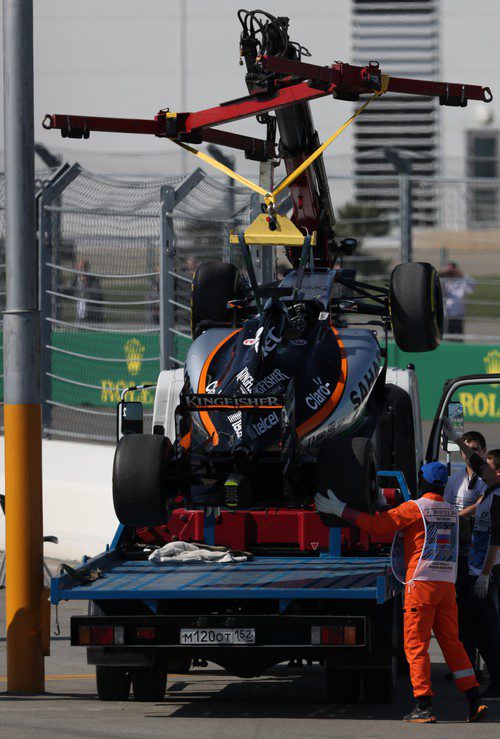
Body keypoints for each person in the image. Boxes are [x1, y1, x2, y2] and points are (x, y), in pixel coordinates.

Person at [315, 461, 487, 724]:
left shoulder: (415, 508)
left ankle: (424, 705)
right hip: (446, 586)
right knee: (453, 645)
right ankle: (474, 700)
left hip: (422, 586)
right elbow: (402, 521)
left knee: (416, 645)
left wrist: (341, 510)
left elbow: (378, 527)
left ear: (422, 481)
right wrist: (385, 505)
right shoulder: (450, 512)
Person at [443, 419, 500, 699]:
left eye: (489, 467)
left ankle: (498, 681)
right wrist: (455, 438)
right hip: (476, 567)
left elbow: (496, 541)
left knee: (488, 628)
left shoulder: (498, 496)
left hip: (489, 570)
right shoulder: (491, 487)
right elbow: (475, 463)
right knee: (475, 625)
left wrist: (486, 575)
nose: (482, 468)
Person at [444, 430, 487, 667]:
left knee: (484, 616)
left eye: (475, 450)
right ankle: (467, 664)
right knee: (461, 615)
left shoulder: (487, 481)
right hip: (458, 557)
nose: (470, 455)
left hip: (483, 559)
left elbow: (484, 508)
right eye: (466, 450)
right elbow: (447, 514)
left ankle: (486, 665)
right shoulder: (453, 481)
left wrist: (460, 515)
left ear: (482, 452)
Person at [439, 262, 475, 340]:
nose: (450, 272)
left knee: (458, 333)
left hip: (458, 312)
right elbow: (437, 287)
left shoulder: (462, 281)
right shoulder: (444, 281)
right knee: (446, 334)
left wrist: (461, 274)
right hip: (446, 312)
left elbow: (472, 287)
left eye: (452, 270)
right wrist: (442, 273)